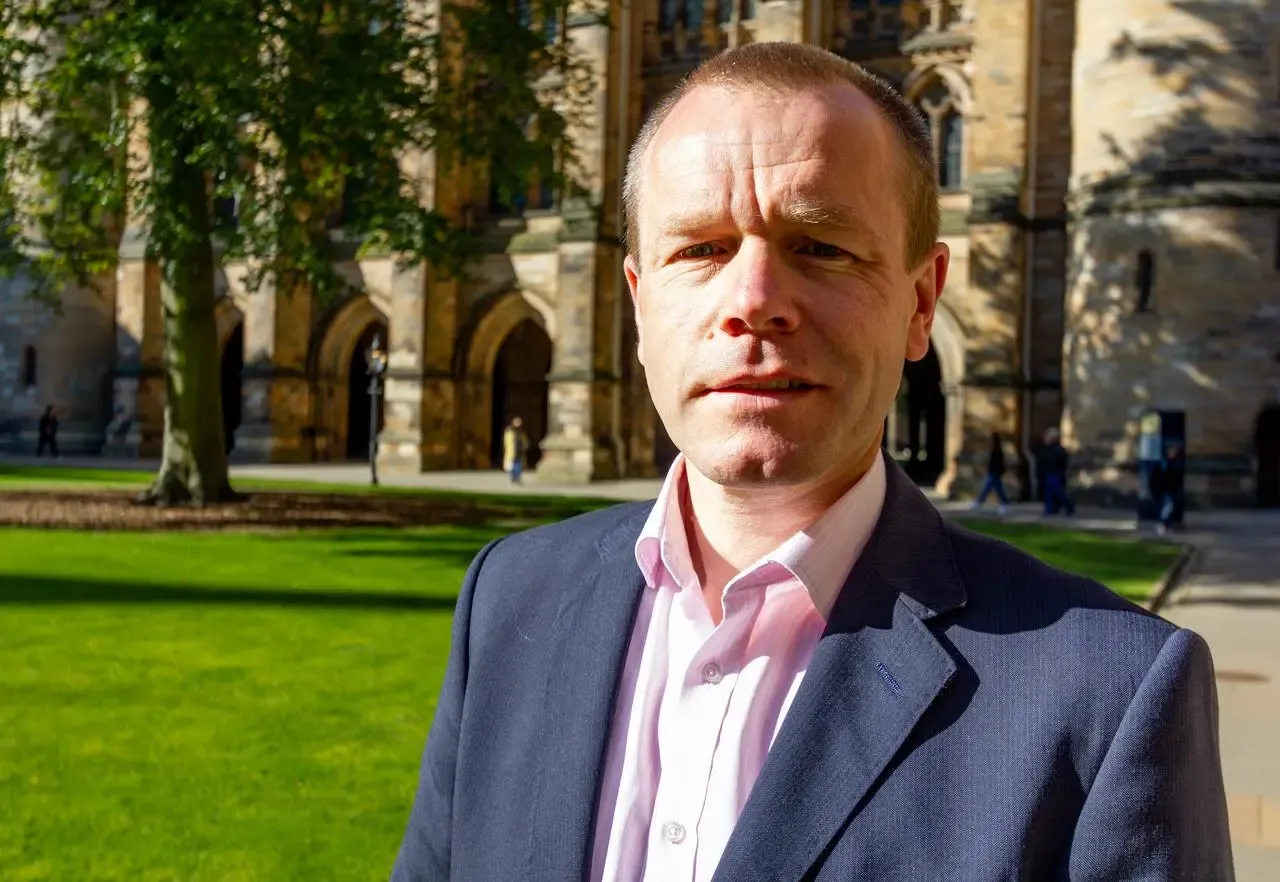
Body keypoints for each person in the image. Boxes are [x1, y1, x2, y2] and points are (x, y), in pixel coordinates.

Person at [392, 43, 1231, 881]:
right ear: (640, 306)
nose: (754, 301)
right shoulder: (508, 599)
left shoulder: (1109, 692)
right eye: (701, 250)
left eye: (822, 247)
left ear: (921, 302)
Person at [1037, 426, 1076, 516]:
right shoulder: (1046, 449)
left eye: (1047, 437)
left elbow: (1062, 461)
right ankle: (1050, 509)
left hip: (1055, 472)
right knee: (1049, 492)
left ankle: (1067, 505)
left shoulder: (1058, 449)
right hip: (1048, 473)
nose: (1045, 438)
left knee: (1057, 491)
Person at [970, 430, 1010, 514]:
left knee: (987, 488)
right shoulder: (995, 449)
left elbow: (997, 463)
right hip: (994, 472)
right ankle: (1004, 503)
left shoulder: (997, 450)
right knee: (997, 489)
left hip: (994, 472)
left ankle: (979, 502)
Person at [1158, 442, 1186, 534]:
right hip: (1168, 488)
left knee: (1169, 506)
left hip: (1171, 488)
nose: (1173, 453)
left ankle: (1165, 524)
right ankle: (1162, 524)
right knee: (1168, 506)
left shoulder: (1171, 463)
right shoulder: (1166, 464)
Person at [501, 417, 528, 484]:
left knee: (518, 466)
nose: (518, 424)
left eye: (519, 422)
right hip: (512, 451)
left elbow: (524, 441)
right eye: (517, 422)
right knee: (511, 466)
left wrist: (524, 447)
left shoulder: (521, 432)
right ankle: (513, 477)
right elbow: (507, 442)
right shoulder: (509, 431)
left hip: (519, 452)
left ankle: (517, 478)